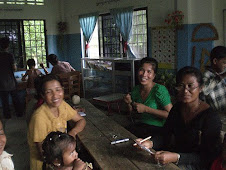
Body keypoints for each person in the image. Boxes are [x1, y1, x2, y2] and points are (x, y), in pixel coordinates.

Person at [135, 66, 222, 169]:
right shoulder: (176, 109)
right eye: (181, 86)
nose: (185, 91)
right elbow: (165, 135)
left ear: (201, 88)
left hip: (198, 165)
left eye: (190, 86)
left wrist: (178, 157)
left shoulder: (210, 117)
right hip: (174, 157)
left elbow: (208, 156)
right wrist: (150, 143)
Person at [27, 74, 86, 170]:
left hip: (62, 158)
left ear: (63, 90)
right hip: (46, 165)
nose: (55, 95)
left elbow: (81, 120)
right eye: (49, 92)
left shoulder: (62, 105)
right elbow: (43, 155)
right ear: (42, 95)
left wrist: (73, 133)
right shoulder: (39, 118)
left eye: (58, 90)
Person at [124, 57, 172, 138]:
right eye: (141, 70)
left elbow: (171, 115)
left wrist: (146, 109)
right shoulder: (136, 90)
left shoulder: (160, 90)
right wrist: (129, 103)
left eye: (149, 71)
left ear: (154, 75)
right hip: (141, 126)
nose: (144, 74)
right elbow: (133, 115)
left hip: (158, 130)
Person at [0, 37, 24, 119]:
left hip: (1, 82)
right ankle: (19, 113)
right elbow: (14, 68)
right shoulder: (9, 55)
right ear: (8, 46)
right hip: (10, 82)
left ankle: (7, 116)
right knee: (15, 99)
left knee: (5, 101)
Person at [202, 46, 226, 113]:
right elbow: (204, 90)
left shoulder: (218, 75)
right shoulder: (206, 75)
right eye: (224, 62)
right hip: (216, 117)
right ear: (215, 61)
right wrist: (223, 75)